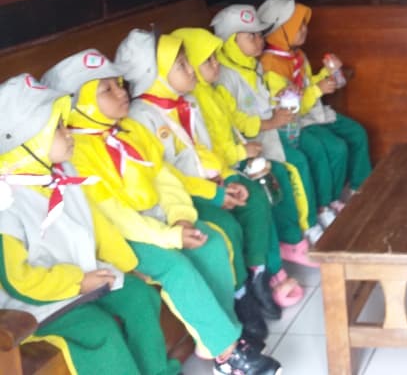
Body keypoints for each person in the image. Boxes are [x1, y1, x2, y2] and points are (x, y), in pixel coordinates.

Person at [41, 51, 282, 374]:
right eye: (107, 90)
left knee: (209, 243)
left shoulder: (129, 130)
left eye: (119, 84)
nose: (121, 93)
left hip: (156, 221)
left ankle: (221, 335)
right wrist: (169, 236)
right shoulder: (76, 153)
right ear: (80, 103)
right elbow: (115, 216)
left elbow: (164, 176)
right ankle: (227, 355)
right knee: (174, 266)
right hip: (121, 237)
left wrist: (180, 216)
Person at [0, 74, 180, 375]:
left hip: (85, 277)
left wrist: (127, 266)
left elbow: (97, 225)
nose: (68, 132)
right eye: (58, 128)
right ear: (29, 139)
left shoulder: (61, 172)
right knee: (99, 331)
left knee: (140, 296)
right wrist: (77, 282)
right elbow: (18, 281)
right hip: (36, 301)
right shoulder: (6, 202)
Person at [115, 29, 283, 339]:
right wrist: (215, 192)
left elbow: (203, 150)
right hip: (185, 195)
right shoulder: (141, 118)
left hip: (208, 181)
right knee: (226, 229)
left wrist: (225, 176)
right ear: (156, 75)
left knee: (255, 198)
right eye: (181, 65)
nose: (191, 69)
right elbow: (169, 175)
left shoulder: (187, 101)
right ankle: (239, 295)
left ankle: (258, 271)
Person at [172, 27, 305, 309]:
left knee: (275, 175)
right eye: (207, 60)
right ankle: (268, 270)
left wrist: (264, 126)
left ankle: (278, 254)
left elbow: (238, 120)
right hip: (222, 166)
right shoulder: (193, 102)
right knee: (260, 189)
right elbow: (207, 149)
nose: (216, 65)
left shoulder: (213, 91)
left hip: (231, 159)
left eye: (216, 58)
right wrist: (241, 152)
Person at [210, 4, 322, 267]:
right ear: (230, 42)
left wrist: (277, 103)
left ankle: (305, 226)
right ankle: (296, 236)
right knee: (288, 169)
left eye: (260, 34)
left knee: (303, 155)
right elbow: (235, 120)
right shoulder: (224, 77)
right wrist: (270, 122)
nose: (260, 40)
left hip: (266, 134)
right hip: (250, 143)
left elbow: (261, 101)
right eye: (251, 36)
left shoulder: (252, 65)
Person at [258, 0, 372, 220]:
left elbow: (307, 84)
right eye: (297, 25)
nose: (304, 29)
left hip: (313, 111)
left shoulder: (297, 55)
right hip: (296, 122)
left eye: (304, 24)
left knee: (357, 132)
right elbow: (291, 108)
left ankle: (359, 187)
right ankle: (326, 203)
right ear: (280, 31)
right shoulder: (270, 65)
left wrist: (327, 74)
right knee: (335, 148)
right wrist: (318, 89)